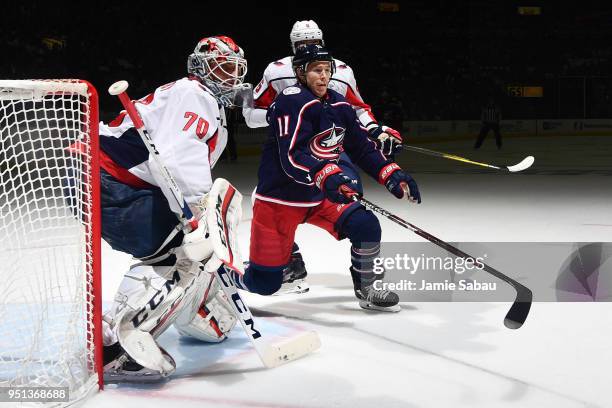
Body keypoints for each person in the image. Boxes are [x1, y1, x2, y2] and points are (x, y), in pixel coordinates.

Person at [69, 36, 248, 382]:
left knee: (182, 251)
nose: (230, 78)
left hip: (97, 173)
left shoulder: (196, 95)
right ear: (201, 67)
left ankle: (188, 311)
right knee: (179, 256)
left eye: (234, 71)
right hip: (102, 175)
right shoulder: (196, 94)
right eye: (222, 69)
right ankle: (113, 349)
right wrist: (198, 211)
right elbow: (179, 157)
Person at [232, 44, 421, 312]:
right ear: (300, 72)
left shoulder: (339, 104)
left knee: (366, 225)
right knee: (265, 284)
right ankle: (222, 278)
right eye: (316, 70)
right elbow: (292, 156)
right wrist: (325, 173)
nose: (323, 76)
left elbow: (362, 148)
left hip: (321, 196)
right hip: (279, 202)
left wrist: (391, 173)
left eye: (327, 70)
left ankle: (368, 288)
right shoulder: (290, 100)